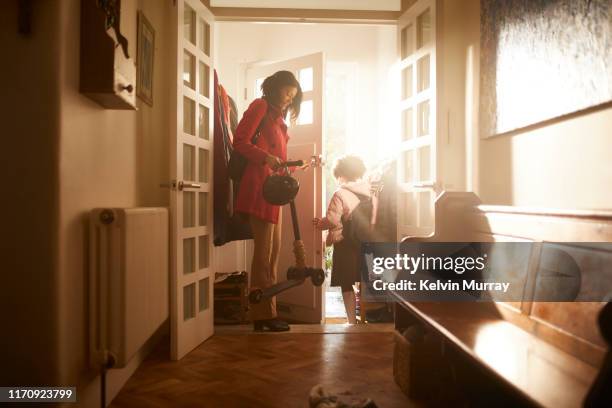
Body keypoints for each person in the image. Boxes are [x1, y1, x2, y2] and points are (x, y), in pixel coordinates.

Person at [233, 70, 304, 332]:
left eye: (293, 96)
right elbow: (239, 141)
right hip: (259, 188)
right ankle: (262, 315)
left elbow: (279, 162)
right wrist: (265, 158)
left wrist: (300, 165)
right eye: (287, 92)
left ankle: (266, 312)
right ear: (274, 88)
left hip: (274, 191)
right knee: (263, 255)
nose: (288, 99)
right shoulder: (260, 106)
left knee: (272, 254)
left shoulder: (279, 117)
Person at [313, 155, 370, 324]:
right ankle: (366, 318)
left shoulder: (340, 193)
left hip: (345, 243)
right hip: (364, 243)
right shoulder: (368, 192)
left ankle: (351, 321)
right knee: (362, 281)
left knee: (346, 283)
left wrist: (319, 223)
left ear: (341, 175)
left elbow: (332, 220)